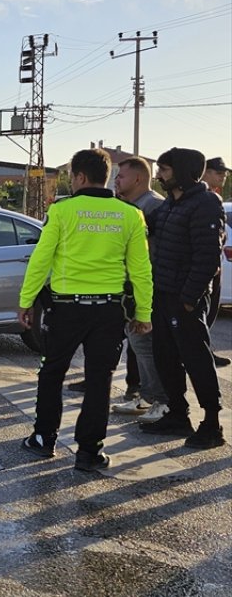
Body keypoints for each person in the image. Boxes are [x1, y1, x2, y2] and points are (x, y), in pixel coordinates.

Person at [17, 148, 152, 472]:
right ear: (105, 176)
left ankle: (44, 439)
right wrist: (144, 313)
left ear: (78, 177)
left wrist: (26, 301)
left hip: (66, 310)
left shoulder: (63, 212)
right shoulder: (130, 214)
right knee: (99, 380)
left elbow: (41, 260)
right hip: (108, 312)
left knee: (52, 373)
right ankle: (89, 452)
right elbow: (141, 269)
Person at [140, 148, 226, 449]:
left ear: (184, 171)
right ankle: (178, 414)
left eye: (165, 169)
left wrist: (189, 299)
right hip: (162, 295)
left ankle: (212, 424)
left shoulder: (205, 203)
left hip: (185, 300)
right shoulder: (169, 206)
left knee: (196, 359)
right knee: (165, 358)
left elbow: (207, 258)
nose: (160, 175)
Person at [109, 157, 168, 420]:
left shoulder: (154, 207)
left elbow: (156, 254)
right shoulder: (130, 206)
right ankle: (145, 397)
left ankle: (162, 401)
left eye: (120, 176)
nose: (116, 180)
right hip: (132, 290)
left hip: (149, 289)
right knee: (138, 345)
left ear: (138, 179)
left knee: (147, 347)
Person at [202, 156, 229, 366]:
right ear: (205, 172)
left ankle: (206, 350)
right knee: (203, 313)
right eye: (219, 173)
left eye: (225, 173)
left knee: (211, 312)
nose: (224, 177)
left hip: (215, 266)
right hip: (202, 268)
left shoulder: (214, 197)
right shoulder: (201, 199)